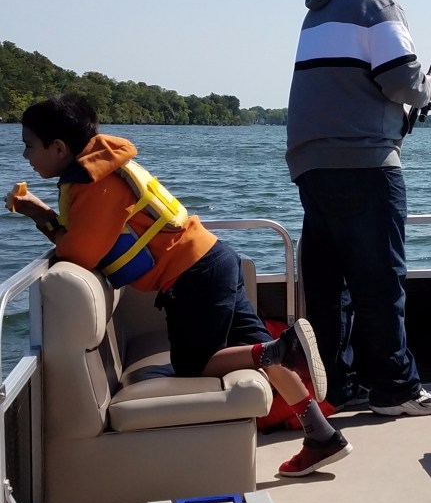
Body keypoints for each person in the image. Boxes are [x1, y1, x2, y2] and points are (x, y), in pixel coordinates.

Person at [5, 93, 352, 477]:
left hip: (192, 275)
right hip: (214, 258)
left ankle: (281, 349)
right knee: (256, 348)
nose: (26, 156)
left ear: (58, 148)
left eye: (29, 146)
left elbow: (77, 254)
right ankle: (321, 434)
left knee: (194, 364)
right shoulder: (102, 169)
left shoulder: (95, 184)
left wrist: (39, 214)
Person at [285, 0, 431, 416]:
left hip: (309, 163)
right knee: (380, 279)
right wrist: (429, 87)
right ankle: (395, 389)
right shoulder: (376, 5)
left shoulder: (318, 10)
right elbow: (401, 77)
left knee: (329, 286)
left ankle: (333, 387)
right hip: (364, 160)